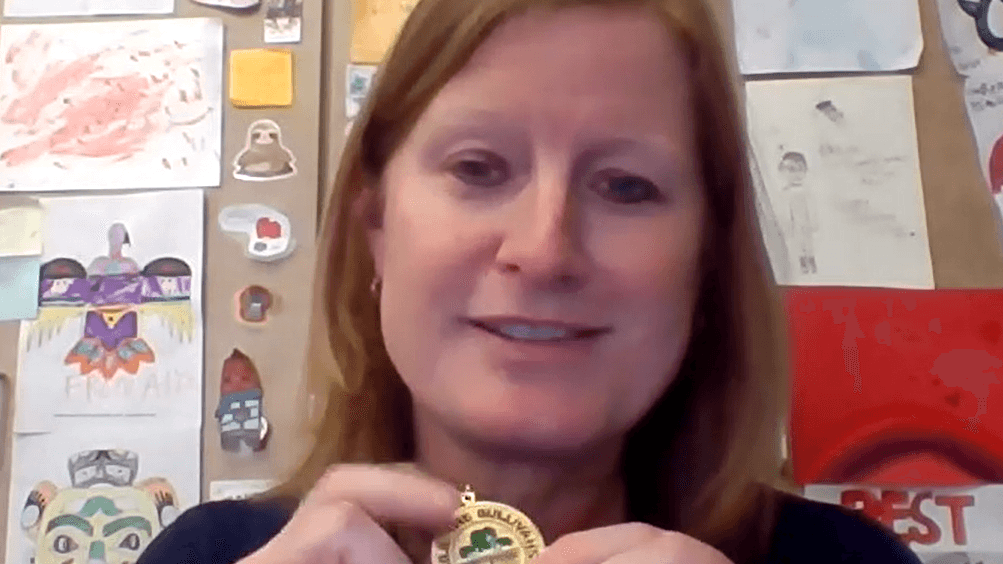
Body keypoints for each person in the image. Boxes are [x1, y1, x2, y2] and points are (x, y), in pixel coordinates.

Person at [137, 0, 921, 563]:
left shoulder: (850, 561)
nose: (544, 251)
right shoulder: (207, 556)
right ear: (375, 226)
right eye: (477, 169)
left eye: (625, 187)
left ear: (704, 261)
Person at [773, 151, 818, 275]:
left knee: (808, 242)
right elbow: (785, 210)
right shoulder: (785, 192)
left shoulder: (806, 191)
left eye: (800, 169)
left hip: (806, 221)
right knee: (798, 242)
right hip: (795, 222)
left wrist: (814, 221)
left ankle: (811, 261)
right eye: (791, 170)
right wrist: (787, 224)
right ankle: (803, 263)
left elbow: (811, 207)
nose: (796, 174)